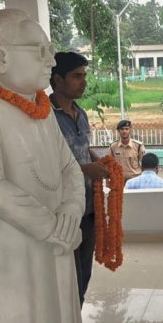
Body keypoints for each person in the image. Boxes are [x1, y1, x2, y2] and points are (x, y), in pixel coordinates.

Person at [0, 9, 84, 322]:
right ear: (1, 57)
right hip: (10, 260)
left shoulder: (41, 109)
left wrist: (72, 210)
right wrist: (54, 229)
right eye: (40, 51)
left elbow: (70, 168)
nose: (51, 61)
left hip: (57, 246)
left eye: (50, 50)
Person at [49, 51, 110, 306]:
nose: (84, 82)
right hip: (63, 211)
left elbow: (81, 150)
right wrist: (86, 169)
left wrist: (99, 161)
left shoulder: (80, 113)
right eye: (77, 76)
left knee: (83, 276)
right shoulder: (44, 117)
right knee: (67, 279)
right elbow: (46, 165)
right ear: (57, 80)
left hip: (89, 208)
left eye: (84, 76)